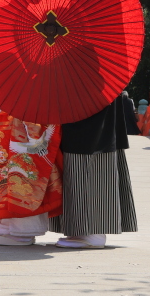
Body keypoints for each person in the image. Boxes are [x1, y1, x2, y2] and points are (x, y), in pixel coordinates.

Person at [49, 93, 138, 249]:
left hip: (88, 108)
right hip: (95, 101)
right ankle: (83, 231)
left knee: (88, 166)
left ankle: (93, 233)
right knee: (87, 167)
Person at [0, 105, 63, 245]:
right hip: (27, 114)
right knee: (25, 171)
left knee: (8, 169)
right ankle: (17, 230)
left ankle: (5, 228)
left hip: (7, 116)